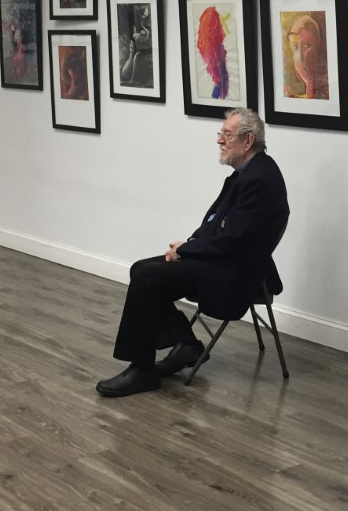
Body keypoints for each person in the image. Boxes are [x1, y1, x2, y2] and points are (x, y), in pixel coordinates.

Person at [96, 108, 289, 398]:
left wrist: (187, 250)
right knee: (142, 271)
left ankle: (143, 370)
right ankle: (185, 344)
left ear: (248, 140)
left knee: (148, 276)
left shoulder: (258, 179)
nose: (219, 140)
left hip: (233, 274)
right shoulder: (249, 172)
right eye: (221, 134)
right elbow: (219, 227)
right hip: (223, 261)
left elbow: (229, 239)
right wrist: (187, 245)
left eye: (227, 135)